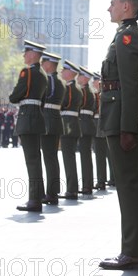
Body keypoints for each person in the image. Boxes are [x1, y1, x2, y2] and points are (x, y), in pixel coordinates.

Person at [98, 0, 138, 271]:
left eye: (113, 4)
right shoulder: (128, 33)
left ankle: (131, 252)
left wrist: (130, 127)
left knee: (128, 185)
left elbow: (132, 85)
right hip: (119, 117)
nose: (109, 9)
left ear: (127, 8)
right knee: (128, 185)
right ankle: (133, 249)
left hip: (120, 119)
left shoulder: (128, 36)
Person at [10, 40, 48, 212]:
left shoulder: (28, 72)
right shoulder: (43, 74)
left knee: (31, 161)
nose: (24, 55)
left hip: (27, 117)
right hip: (37, 116)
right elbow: (44, 99)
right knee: (36, 159)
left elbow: (15, 96)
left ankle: (34, 200)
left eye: (26, 52)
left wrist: (14, 96)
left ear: (33, 54)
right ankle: (39, 195)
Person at [39, 52, 65, 205]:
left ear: (49, 65)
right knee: (52, 158)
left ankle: (51, 193)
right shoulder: (58, 80)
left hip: (48, 120)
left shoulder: (50, 79)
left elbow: (45, 97)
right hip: (54, 120)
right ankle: (53, 192)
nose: (42, 64)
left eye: (44, 62)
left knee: (49, 158)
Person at [59, 60, 83, 200]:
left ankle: (72, 189)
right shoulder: (77, 88)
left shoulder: (69, 89)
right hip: (74, 124)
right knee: (70, 158)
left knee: (68, 159)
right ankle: (72, 188)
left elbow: (64, 104)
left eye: (64, 70)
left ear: (70, 73)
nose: (62, 72)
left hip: (68, 125)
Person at [77, 66, 97, 198]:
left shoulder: (84, 91)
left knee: (85, 157)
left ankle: (87, 185)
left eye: (79, 76)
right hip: (88, 123)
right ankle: (87, 184)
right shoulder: (90, 91)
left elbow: (79, 105)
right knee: (87, 156)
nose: (77, 78)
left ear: (84, 78)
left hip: (84, 123)